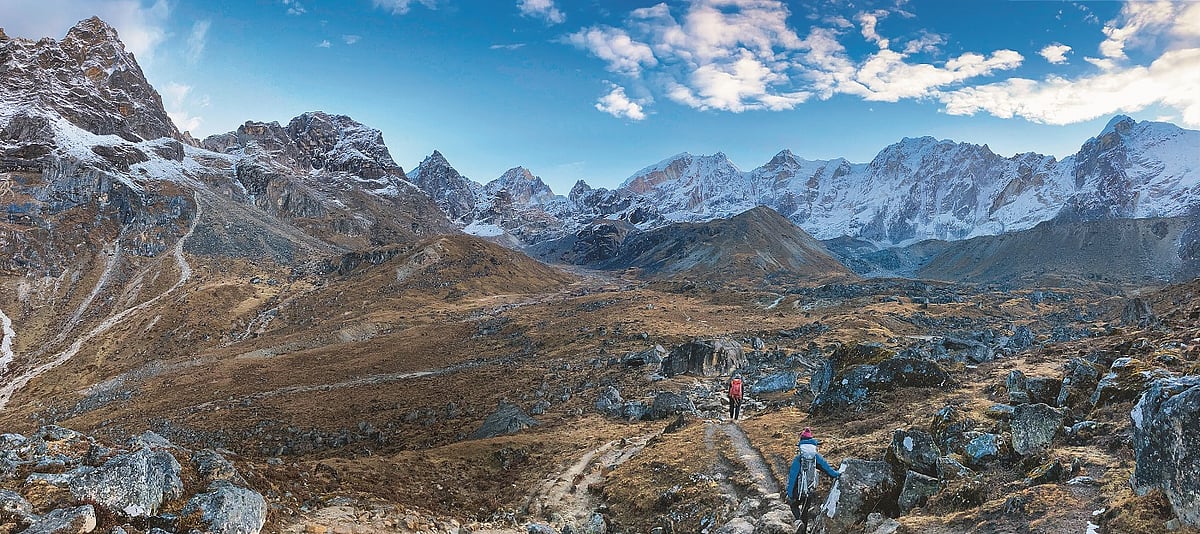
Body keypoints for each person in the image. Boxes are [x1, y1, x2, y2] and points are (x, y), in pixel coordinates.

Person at [786, 427, 840, 533]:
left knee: (794, 505)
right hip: (810, 489)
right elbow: (827, 469)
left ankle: (799, 524)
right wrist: (837, 474)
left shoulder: (799, 458)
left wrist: (790, 493)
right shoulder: (816, 457)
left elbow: (792, 476)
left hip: (798, 490)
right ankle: (804, 529)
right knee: (805, 510)